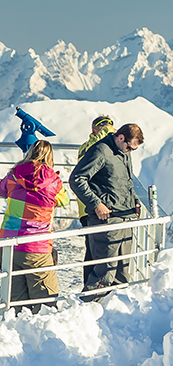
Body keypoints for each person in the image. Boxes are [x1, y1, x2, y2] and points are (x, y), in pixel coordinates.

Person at [70, 123, 145, 296]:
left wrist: (135, 202)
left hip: (125, 216)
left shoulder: (123, 153)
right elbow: (77, 179)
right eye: (129, 147)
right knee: (104, 272)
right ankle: (87, 309)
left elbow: (126, 181)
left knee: (121, 271)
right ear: (120, 138)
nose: (130, 151)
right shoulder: (100, 151)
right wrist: (96, 204)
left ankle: (114, 315)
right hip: (107, 218)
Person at [0, 140, 68, 313]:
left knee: (15, 301)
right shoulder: (53, 182)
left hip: (10, 244)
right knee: (45, 301)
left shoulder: (14, 175)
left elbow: (0, 190)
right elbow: (64, 201)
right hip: (37, 247)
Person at [74, 115, 115, 285]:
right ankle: (89, 286)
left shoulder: (108, 146)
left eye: (110, 126)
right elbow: (91, 152)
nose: (108, 128)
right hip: (89, 207)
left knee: (100, 250)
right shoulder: (87, 147)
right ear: (94, 130)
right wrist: (105, 133)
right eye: (103, 126)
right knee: (93, 250)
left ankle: (97, 285)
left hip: (103, 206)